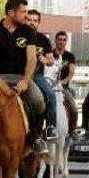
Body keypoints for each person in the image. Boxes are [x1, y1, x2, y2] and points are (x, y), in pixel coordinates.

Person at [0, 0, 48, 154]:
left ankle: (36, 138)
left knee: (39, 101)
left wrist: (25, 80)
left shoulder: (28, 31)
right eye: (23, 12)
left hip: (21, 78)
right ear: (11, 13)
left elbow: (31, 59)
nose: (26, 15)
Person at [26, 10, 57, 140]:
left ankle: (50, 127)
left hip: (37, 76)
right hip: (19, 75)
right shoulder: (18, 37)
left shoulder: (43, 39)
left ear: (38, 23)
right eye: (29, 20)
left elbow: (51, 60)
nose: (32, 23)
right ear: (25, 20)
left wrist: (46, 60)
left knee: (51, 95)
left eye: (35, 20)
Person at [53, 31, 78, 129]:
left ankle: (72, 131)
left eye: (64, 40)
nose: (61, 42)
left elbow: (71, 72)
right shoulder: (50, 54)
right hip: (51, 87)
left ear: (66, 42)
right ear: (56, 40)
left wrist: (65, 80)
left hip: (64, 88)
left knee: (74, 109)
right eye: (59, 39)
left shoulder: (70, 56)